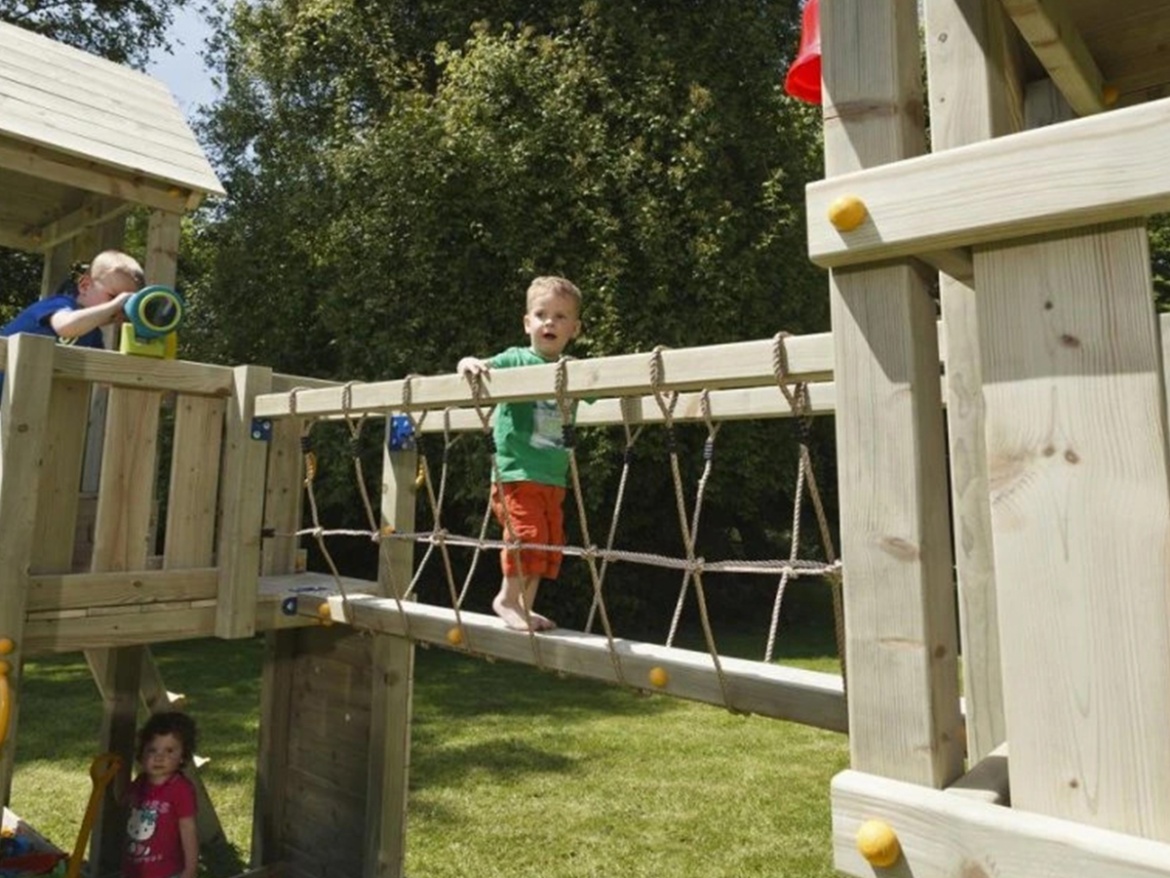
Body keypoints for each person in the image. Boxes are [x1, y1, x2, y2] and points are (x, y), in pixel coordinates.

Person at [457, 276, 584, 632]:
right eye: (541, 314)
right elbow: (480, 367)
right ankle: (507, 600)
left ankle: (524, 606)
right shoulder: (516, 359)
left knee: (547, 544)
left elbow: (607, 391)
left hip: (552, 475)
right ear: (527, 323)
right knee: (526, 535)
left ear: (574, 329)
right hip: (517, 471)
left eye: (560, 317)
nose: (550, 322)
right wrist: (468, 362)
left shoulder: (571, 370)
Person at [0, 249, 143, 350]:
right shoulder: (59, 304)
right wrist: (114, 305)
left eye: (125, 304)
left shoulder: (93, 335)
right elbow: (65, 327)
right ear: (85, 286)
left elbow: (105, 377)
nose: (119, 307)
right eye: (113, 297)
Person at [122, 711, 199, 878]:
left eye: (169, 750)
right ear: (141, 754)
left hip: (167, 872)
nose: (159, 757)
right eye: (152, 750)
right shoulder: (139, 783)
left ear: (182, 756)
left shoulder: (181, 789)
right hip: (133, 871)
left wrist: (190, 870)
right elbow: (123, 807)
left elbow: (188, 828)